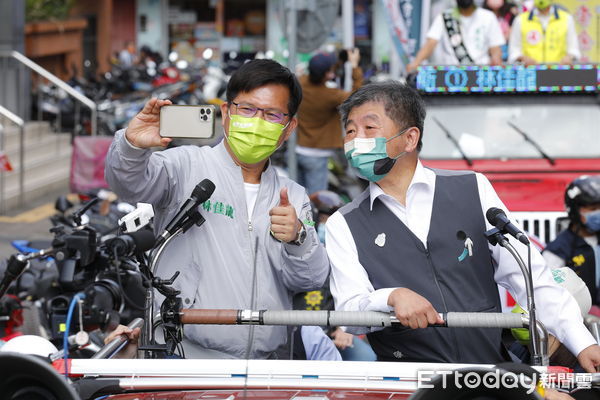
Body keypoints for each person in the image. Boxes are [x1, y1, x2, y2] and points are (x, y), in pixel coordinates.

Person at [325, 81, 600, 372]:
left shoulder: (472, 188)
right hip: (409, 384)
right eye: (350, 131)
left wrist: (582, 342)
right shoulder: (344, 223)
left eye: (369, 128)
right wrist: (391, 297)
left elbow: (530, 278)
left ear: (410, 138)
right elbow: (348, 312)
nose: (356, 141)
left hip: (488, 376)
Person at [104, 59, 330, 359]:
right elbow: (128, 183)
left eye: (272, 114)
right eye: (247, 109)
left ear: (289, 128)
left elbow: (310, 280)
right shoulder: (184, 166)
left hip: (266, 364)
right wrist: (132, 147)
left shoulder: (293, 196)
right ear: (226, 113)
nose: (257, 122)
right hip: (184, 355)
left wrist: (299, 239)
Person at [296, 49, 363, 196]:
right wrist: (354, 66)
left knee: (298, 198)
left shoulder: (300, 83)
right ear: (326, 74)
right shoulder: (329, 95)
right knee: (317, 200)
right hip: (317, 154)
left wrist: (341, 60)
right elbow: (358, 96)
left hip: (298, 150)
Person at [544, 176, 600, 306]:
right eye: (592, 209)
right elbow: (547, 294)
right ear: (574, 211)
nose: (598, 213)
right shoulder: (557, 251)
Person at [406, 0, 504, 72]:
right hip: (451, 74)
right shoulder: (445, 16)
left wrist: (496, 59)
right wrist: (416, 62)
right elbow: (431, 43)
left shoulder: (488, 17)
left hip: (480, 73)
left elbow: (495, 48)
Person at [508, 0, 580, 65]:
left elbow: (573, 49)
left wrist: (569, 57)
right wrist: (522, 58)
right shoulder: (520, 20)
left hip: (558, 73)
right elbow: (514, 52)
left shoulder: (566, 18)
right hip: (531, 73)